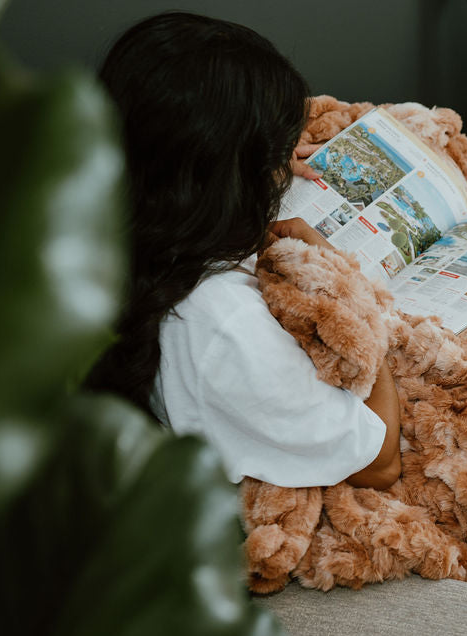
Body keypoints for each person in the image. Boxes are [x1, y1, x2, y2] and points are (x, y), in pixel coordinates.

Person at [85, 11, 401, 490]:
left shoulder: (95, 230)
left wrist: (257, 159)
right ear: (229, 177)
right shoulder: (222, 325)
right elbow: (380, 464)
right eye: (275, 155)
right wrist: (348, 289)